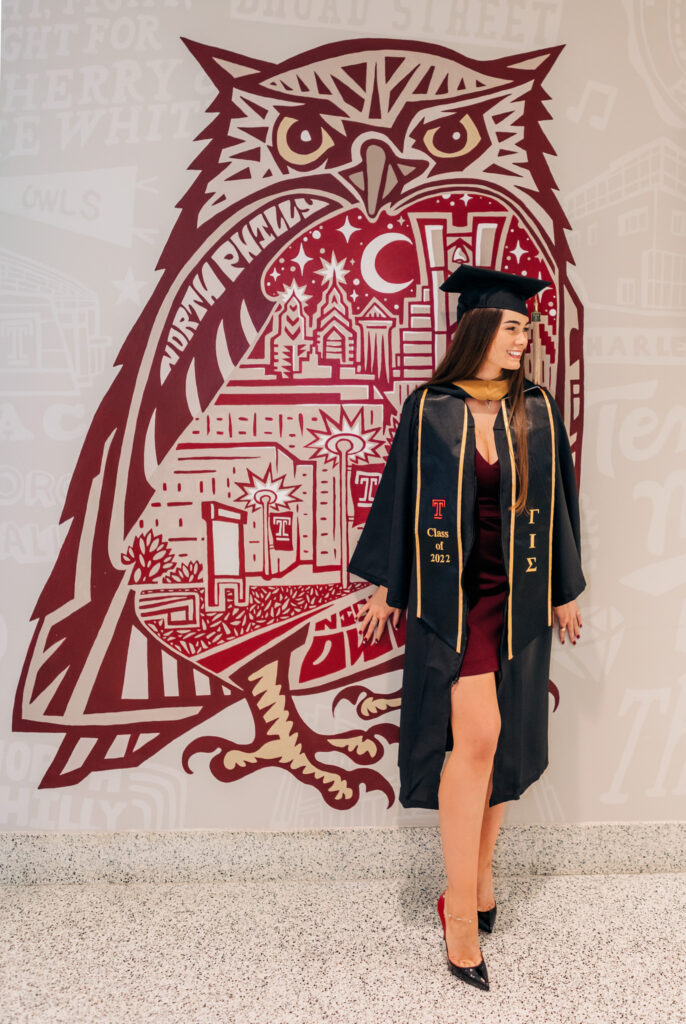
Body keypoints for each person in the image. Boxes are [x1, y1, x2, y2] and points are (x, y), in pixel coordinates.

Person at [347, 264, 586, 992]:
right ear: (480, 328)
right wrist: (392, 584)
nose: (524, 337)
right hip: (452, 598)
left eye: (527, 327)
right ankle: (457, 923)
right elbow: (399, 492)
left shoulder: (537, 408)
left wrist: (568, 589)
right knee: (476, 738)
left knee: (505, 741)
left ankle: (477, 885)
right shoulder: (430, 409)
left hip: (520, 597)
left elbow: (565, 502)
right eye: (513, 326)